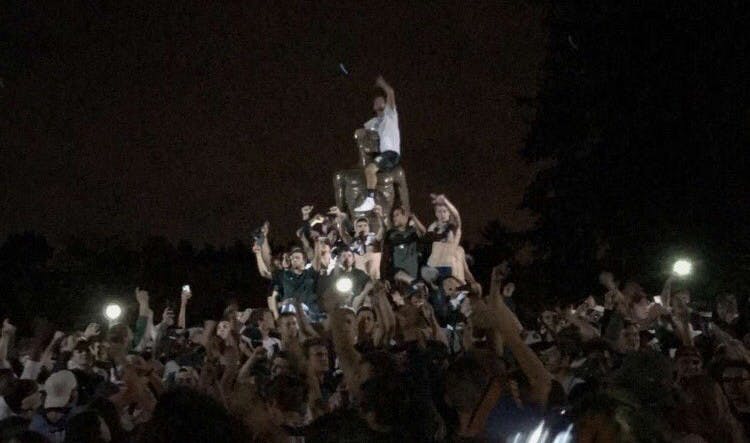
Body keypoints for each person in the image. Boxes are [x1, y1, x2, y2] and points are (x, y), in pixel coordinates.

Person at [354, 76, 401, 213]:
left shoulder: (390, 114)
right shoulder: (374, 122)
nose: (379, 101)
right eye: (377, 101)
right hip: (383, 154)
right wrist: (359, 132)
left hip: (391, 152)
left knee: (369, 169)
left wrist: (382, 84)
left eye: (382, 100)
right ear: (374, 106)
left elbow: (390, 92)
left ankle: (370, 199)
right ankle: (371, 198)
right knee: (368, 169)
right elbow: (361, 131)